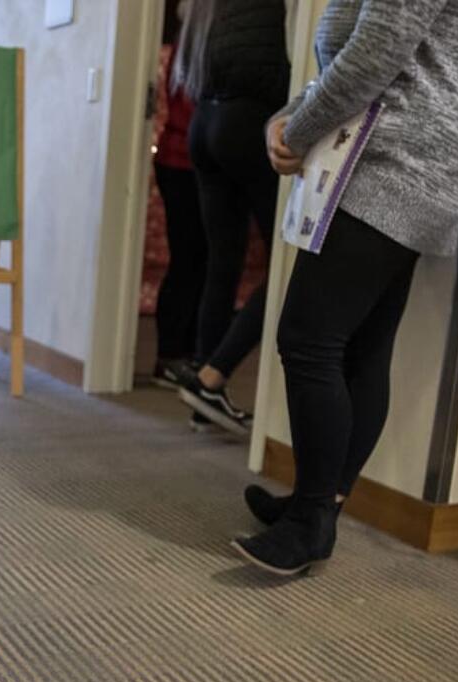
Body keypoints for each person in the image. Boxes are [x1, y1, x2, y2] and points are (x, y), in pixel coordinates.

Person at [234, 0, 458, 575]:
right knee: (362, 344)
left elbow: (376, 52)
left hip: (404, 159)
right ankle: (320, 503)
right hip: (404, 155)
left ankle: (311, 521)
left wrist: (298, 132)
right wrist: (285, 118)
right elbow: (353, 51)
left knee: (309, 338)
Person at [171, 0, 290, 435]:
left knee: (222, 263)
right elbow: (273, 73)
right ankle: (212, 375)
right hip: (247, 123)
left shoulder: (203, 8)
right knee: (288, 260)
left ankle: (204, 396)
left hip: (205, 123)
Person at [152, 2, 211, 435]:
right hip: (183, 165)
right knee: (191, 261)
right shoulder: (187, 54)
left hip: (187, 165)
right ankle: (172, 354)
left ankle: (182, 353)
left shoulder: (182, 51)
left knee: (197, 262)